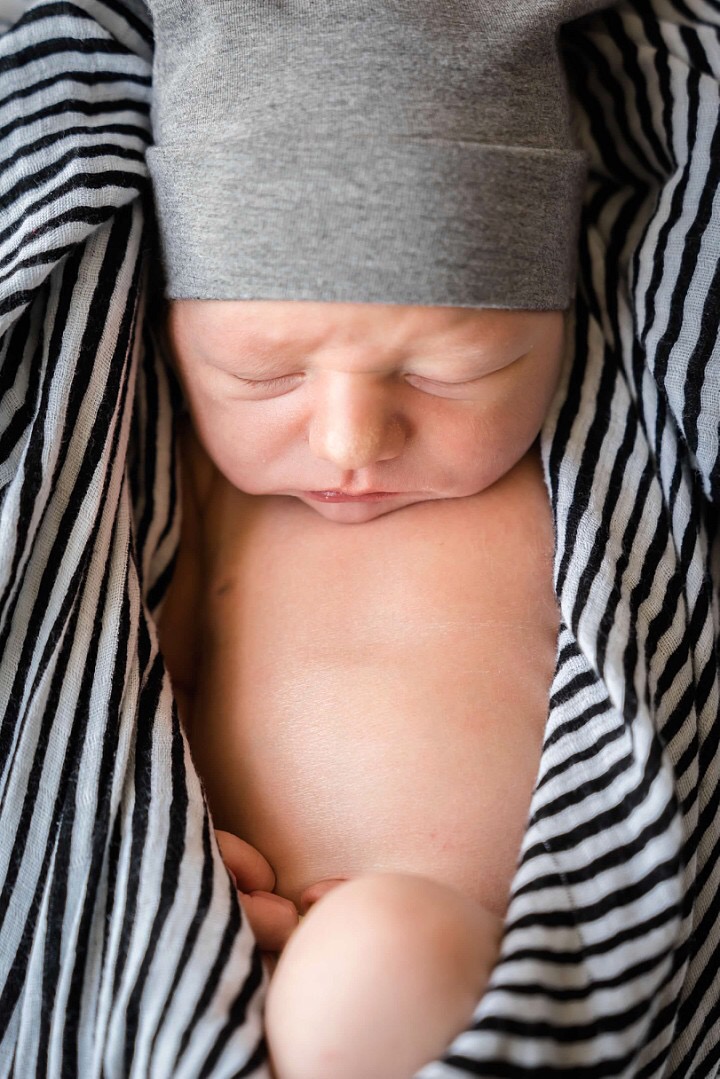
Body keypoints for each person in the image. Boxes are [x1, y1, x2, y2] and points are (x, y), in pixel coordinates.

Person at [145, 2, 612, 1075]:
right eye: (264, 376)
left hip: (489, 954)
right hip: (247, 948)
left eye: (449, 373)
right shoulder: (191, 490)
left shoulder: (580, 462)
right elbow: (131, 696)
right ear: (176, 342)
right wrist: (178, 858)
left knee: (384, 955)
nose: (350, 441)